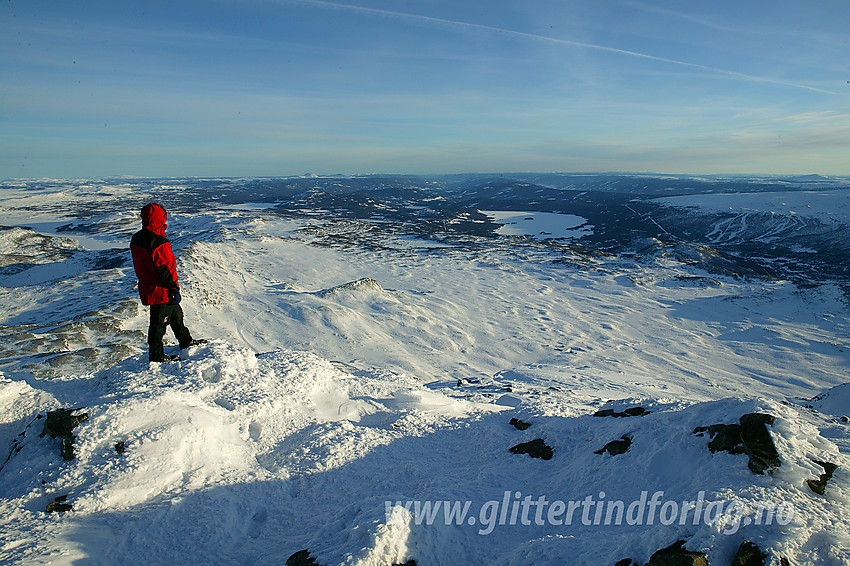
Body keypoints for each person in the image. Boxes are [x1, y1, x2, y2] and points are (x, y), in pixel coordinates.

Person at [130, 202, 205, 362]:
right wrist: (173, 288)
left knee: (176, 315)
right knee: (158, 323)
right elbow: (165, 268)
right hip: (161, 289)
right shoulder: (158, 242)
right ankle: (156, 355)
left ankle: (186, 341)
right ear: (159, 219)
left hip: (148, 285)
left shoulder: (137, 238)